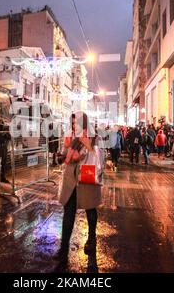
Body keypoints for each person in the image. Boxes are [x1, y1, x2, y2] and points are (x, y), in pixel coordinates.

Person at [58, 112, 103, 263]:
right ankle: (63, 249)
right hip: (71, 179)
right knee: (68, 213)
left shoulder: (95, 137)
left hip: (87, 178)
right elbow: (63, 156)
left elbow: (100, 159)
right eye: (71, 124)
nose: (73, 126)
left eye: (75, 124)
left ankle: (92, 239)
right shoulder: (69, 137)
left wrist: (87, 146)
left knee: (90, 210)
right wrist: (65, 153)